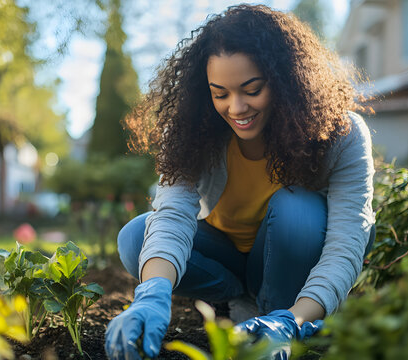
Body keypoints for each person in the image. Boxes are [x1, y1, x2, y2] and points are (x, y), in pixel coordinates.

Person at [105, 4, 375, 359]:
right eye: (220, 94)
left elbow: (347, 244)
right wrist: (152, 294)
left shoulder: (341, 134)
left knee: (298, 210)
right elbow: (171, 214)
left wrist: (294, 320)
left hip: (293, 258)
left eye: (251, 89)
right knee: (135, 238)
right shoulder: (193, 131)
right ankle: (239, 300)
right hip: (226, 261)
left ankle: (278, 315)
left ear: (285, 80)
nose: (236, 108)